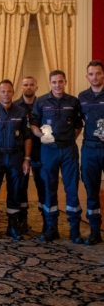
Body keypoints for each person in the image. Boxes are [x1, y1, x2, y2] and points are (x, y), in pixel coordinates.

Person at [31, 70, 83, 244]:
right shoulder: (41, 102)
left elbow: (78, 125)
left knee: (71, 189)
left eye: (60, 82)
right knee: (49, 188)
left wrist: (69, 140)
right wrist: (41, 136)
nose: (57, 85)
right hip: (49, 150)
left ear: (65, 82)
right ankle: (52, 229)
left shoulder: (73, 101)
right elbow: (33, 124)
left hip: (68, 150)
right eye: (54, 82)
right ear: (50, 83)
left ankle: (74, 230)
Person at [0, 80, 32, 240]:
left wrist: (26, 159)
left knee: (15, 190)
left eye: (9, 91)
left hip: (16, 157)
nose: (6, 94)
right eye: (3, 91)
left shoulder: (21, 112)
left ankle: (12, 226)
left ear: (13, 92)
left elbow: (27, 137)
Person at [13, 76, 45, 234]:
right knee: (21, 186)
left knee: (42, 185)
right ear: (21, 88)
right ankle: (22, 220)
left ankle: (47, 221)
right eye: (25, 85)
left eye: (32, 85)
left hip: (41, 151)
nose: (28, 87)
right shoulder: (14, 107)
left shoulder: (44, 104)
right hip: (21, 152)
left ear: (36, 88)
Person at [78, 60, 104, 245]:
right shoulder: (82, 97)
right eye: (91, 74)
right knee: (91, 191)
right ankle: (95, 231)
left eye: (98, 73)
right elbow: (77, 122)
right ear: (87, 77)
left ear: (103, 75)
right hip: (89, 150)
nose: (94, 77)